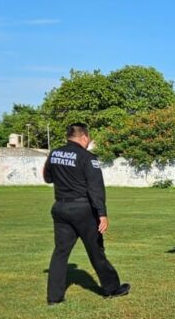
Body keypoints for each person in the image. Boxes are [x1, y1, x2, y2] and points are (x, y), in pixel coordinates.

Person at [43, 123, 130, 304]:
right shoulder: (87, 157)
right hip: (83, 209)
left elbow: (47, 178)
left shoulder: (54, 154)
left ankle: (54, 298)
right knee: (96, 250)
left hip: (60, 208)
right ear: (84, 137)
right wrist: (102, 213)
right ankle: (112, 288)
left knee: (60, 253)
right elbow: (95, 188)